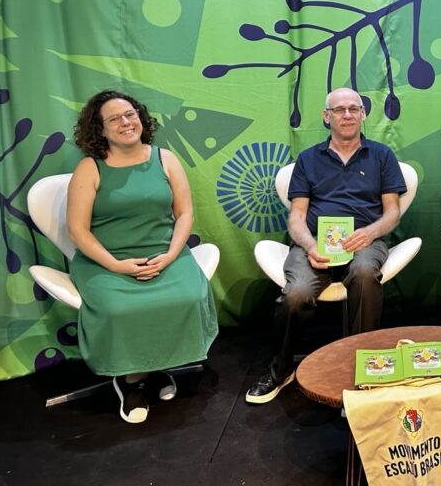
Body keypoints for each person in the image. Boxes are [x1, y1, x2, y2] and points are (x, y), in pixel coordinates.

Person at [246, 87, 407, 403]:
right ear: (326, 117)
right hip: (315, 244)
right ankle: (281, 370)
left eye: (353, 109)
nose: (347, 115)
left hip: (364, 241)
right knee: (296, 293)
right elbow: (297, 217)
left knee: (363, 274)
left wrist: (371, 233)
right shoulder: (308, 159)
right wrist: (309, 245)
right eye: (339, 110)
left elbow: (392, 212)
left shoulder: (382, 155)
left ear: (363, 114)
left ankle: (365, 370)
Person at [67, 90, 218, 424]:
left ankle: (155, 368)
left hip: (165, 253)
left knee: (190, 295)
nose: (126, 122)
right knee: (118, 308)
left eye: (130, 114)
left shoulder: (166, 159)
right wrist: (116, 265)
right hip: (106, 261)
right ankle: (130, 380)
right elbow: (78, 231)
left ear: (141, 117)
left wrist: (170, 256)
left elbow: (185, 215)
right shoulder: (90, 168)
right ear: (100, 129)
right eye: (114, 119)